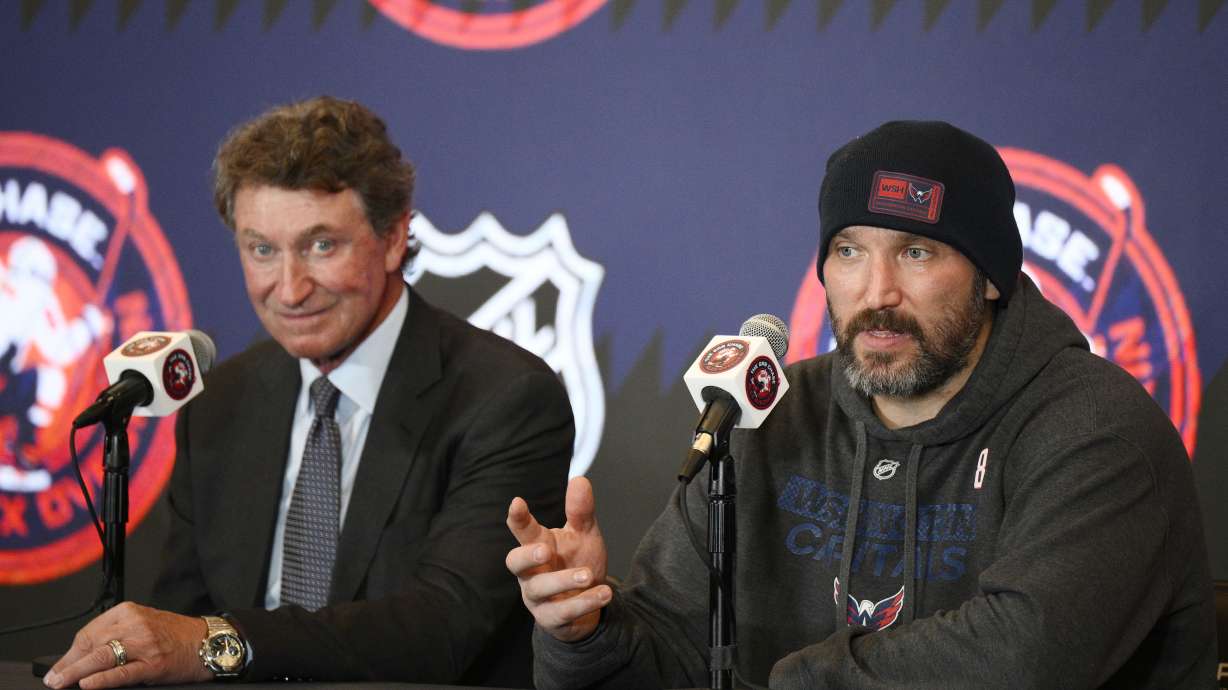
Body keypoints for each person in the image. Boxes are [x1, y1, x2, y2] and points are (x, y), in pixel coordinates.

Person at [507, 120, 1217, 688]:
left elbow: (1027, 657)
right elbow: (673, 652)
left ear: (992, 278)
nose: (876, 292)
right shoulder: (769, 419)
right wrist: (587, 633)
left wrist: (797, 680)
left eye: (915, 252)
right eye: (849, 251)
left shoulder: (1097, 430)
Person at [45, 96, 574, 689]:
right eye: (262, 249)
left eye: (322, 245)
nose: (290, 289)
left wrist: (224, 644)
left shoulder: (504, 398)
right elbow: (180, 624)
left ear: (395, 236)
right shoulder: (219, 403)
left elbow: (440, 628)